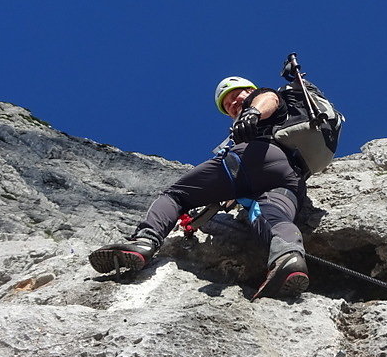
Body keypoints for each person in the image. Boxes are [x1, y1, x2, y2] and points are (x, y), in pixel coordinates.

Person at [89, 75, 310, 298]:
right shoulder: (284, 122)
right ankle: (288, 258)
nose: (233, 104)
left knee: (176, 196)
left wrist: (252, 112)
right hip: (290, 179)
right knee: (272, 216)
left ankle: (145, 241)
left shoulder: (262, 100)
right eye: (227, 105)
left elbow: (268, 97)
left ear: (250, 91)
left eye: (235, 96)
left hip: (257, 156)